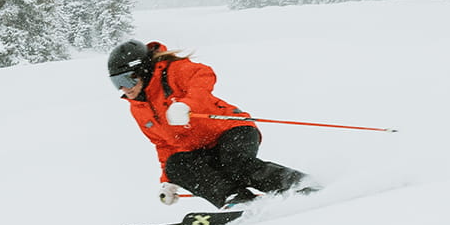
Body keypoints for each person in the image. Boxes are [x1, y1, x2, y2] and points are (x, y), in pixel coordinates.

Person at [107, 39, 318, 209]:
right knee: (176, 166)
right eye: (117, 83)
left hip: (232, 129)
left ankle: (298, 183)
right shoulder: (138, 108)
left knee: (234, 164)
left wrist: (187, 105)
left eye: (128, 79)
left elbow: (203, 75)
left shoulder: (172, 71)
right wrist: (167, 181)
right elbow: (164, 145)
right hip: (203, 148)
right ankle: (236, 199)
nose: (125, 88)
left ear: (143, 70)